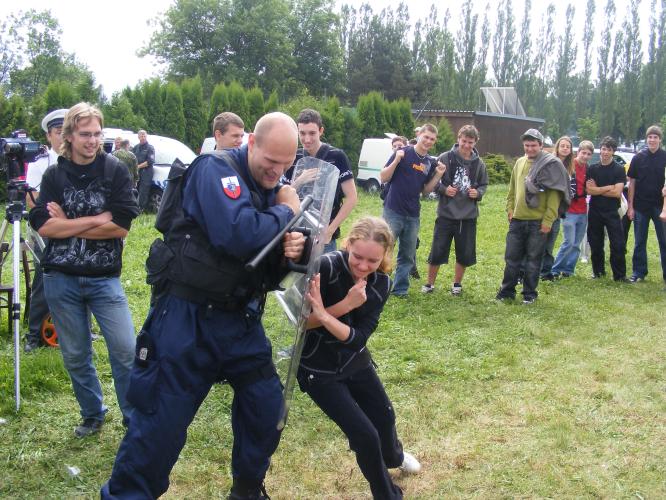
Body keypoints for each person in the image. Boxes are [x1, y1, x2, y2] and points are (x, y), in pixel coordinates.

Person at [102, 113, 306, 500]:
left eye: (285, 164)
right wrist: (285, 212)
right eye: (270, 161)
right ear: (251, 143)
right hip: (186, 318)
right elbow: (237, 233)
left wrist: (294, 246)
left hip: (240, 320)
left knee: (266, 408)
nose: (277, 171)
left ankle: (247, 489)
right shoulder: (215, 169)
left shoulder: (273, 187)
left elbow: (274, 256)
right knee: (159, 425)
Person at [29, 102, 139, 437]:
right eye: (85, 134)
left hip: (104, 278)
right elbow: (44, 227)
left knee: (125, 351)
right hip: (60, 278)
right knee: (76, 354)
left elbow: (121, 226)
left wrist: (68, 222)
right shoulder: (53, 175)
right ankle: (92, 413)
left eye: (97, 133)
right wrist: (94, 220)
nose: (93, 140)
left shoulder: (114, 170)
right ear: (70, 136)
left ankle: (133, 417)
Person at [298, 216, 421, 499]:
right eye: (358, 257)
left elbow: (356, 338)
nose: (364, 267)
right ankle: (387, 494)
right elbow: (301, 323)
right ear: (348, 244)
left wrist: (325, 314)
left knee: (385, 415)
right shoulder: (325, 267)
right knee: (365, 436)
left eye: (373, 261)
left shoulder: (381, 283)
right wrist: (344, 306)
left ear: (385, 256)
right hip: (318, 369)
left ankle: (394, 457)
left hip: (354, 358)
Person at [496, 129, 569, 304]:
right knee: (511, 258)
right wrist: (510, 208)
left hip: (538, 222)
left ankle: (529, 294)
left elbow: (555, 196)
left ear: (541, 145)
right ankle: (507, 291)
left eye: (533, 145)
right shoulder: (519, 162)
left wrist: (548, 220)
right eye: (527, 145)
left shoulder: (551, 164)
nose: (529, 149)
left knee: (533, 260)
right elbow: (512, 189)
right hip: (517, 220)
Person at [421, 125, 488, 296]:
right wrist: (443, 189)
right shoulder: (445, 157)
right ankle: (429, 284)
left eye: (470, 142)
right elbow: (431, 181)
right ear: (458, 139)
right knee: (437, 250)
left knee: (464, 253)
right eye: (464, 141)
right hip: (446, 214)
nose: (466, 145)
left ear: (475, 142)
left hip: (467, 217)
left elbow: (483, 184)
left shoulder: (479, 164)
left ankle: (457, 284)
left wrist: (478, 193)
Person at [381, 123, 445, 297]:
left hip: (413, 215)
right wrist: (396, 160)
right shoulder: (404, 152)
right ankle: (379, 285)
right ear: (419, 136)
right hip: (393, 210)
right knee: (385, 249)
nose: (428, 141)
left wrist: (438, 174)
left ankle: (400, 290)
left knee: (407, 255)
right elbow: (384, 177)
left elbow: (425, 191)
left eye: (432, 139)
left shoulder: (429, 163)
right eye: (426, 137)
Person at [23, 108, 67, 353]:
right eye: (58, 133)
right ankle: (33, 334)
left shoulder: (78, 162)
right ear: (49, 136)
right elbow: (35, 201)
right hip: (46, 232)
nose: (63, 137)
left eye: (66, 132)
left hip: (73, 232)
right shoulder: (41, 163)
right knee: (43, 280)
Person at [284, 108, 358, 253]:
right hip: (296, 233)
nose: (307, 139)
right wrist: (299, 181)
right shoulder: (294, 157)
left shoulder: (337, 156)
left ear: (321, 131)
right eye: (302, 133)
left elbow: (352, 197)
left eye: (312, 133)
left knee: (323, 275)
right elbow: (283, 196)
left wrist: (330, 230)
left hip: (324, 237)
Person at [586, 136, 628, 281]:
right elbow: (589, 191)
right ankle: (598, 272)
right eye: (603, 149)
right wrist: (608, 187)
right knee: (595, 242)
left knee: (618, 243)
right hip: (595, 210)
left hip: (612, 211)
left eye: (608, 150)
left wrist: (598, 189)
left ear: (613, 152)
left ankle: (619, 275)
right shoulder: (592, 169)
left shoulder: (619, 169)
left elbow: (617, 193)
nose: (605, 152)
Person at [627, 125, 666, 283]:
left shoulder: (665, 156)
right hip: (641, 206)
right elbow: (632, 184)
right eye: (650, 137)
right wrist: (630, 206)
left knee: (664, 242)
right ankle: (639, 272)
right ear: (646, 139)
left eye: (655, 137)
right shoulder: (638, 158)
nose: (652, 140)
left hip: (660, 207)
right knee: (639, 241)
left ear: (660, 140)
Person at [552, 140, 594, 277]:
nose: (585, 156)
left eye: (589, 154)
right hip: (570, 210)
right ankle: (555, 269)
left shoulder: (588, 169)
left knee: (576, 244)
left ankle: (569, 270)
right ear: (578, 152)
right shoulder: (570, 165)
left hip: (583, 210)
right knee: (568, 242)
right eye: (583, 153)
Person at [540, 136, 574, 281]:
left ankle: (546, 272)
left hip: (559, 212)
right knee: (539, 242)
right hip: (546, 209)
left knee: (550, 244)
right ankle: (529, 271)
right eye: (563, 146)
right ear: (557, 147)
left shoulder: (571, 167)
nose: (565, 148)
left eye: (568, 146)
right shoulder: (550, 163)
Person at [132, 129, 155, 211]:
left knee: (143, 192)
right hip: (137, 173)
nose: (143, 137)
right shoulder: (136, 147)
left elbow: (150, 161)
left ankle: (140, 209)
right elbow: (132, 158)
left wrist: (138, 166)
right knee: (135, 190)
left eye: (144, 135)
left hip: (146, 173)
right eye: (141, 135)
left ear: (146, 136)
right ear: (138, 137)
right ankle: (134, 207)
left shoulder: (150, 148)